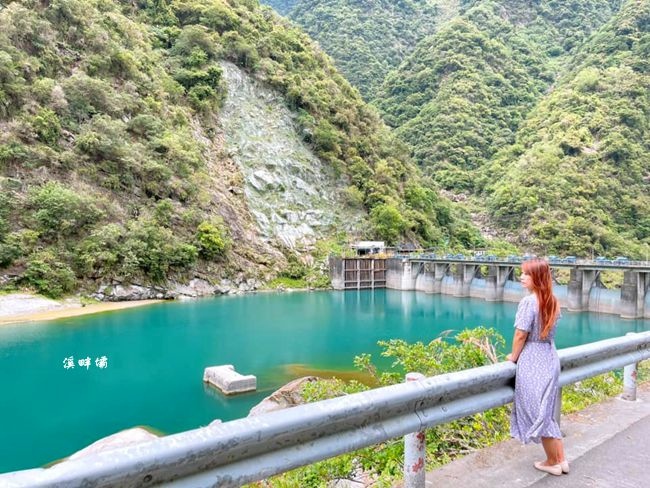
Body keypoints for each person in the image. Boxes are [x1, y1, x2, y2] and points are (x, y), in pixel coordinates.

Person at [506, 259, 568, 476]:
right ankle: (561, 460)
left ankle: (552, 462)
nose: (521, 277)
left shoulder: (529, 302)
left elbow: (521, 334)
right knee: (546, 412)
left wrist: (513, 357)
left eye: (526, 274)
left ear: (538, 278)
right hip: (549, 356)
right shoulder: (552, 301)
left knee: (538, 413)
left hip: (532, 359)